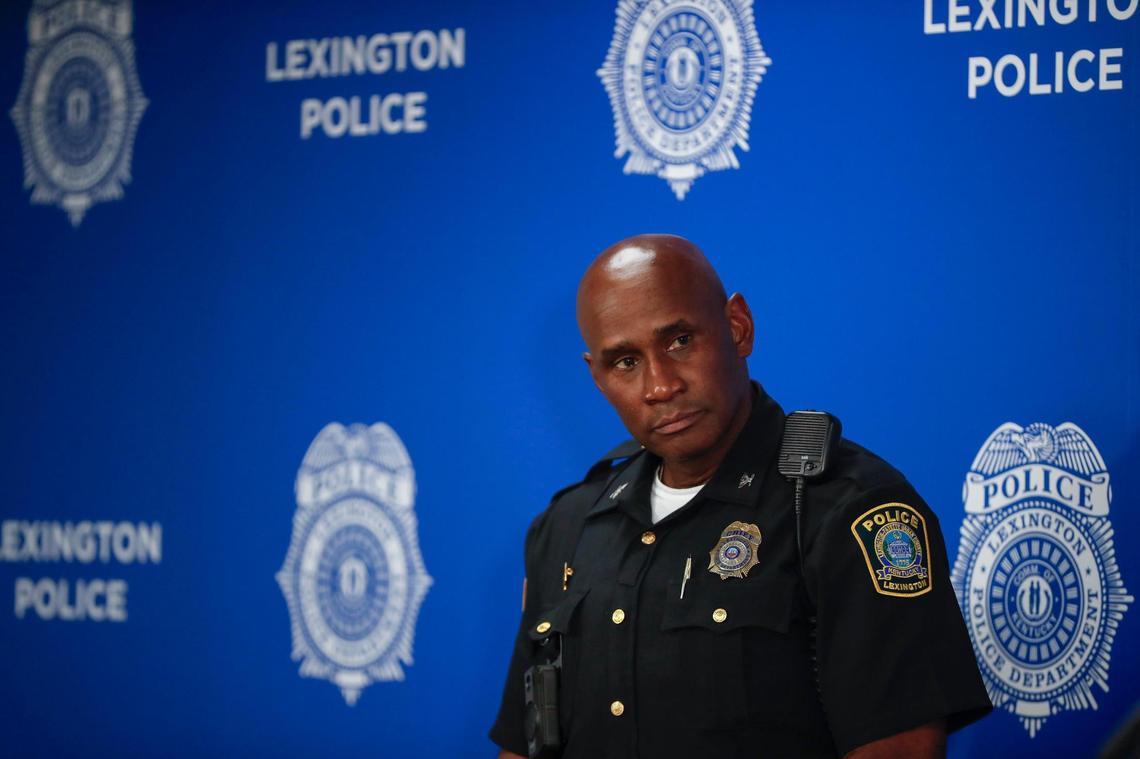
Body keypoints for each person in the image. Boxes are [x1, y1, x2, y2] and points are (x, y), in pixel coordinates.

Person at [490, 235, 991, 758]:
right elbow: (523, 748)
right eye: (625, 362)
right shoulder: (566, 527)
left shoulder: (848, 509)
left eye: (680, 340)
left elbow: (900, 749)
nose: (660, 386)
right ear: (596, 376)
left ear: (738, 328)